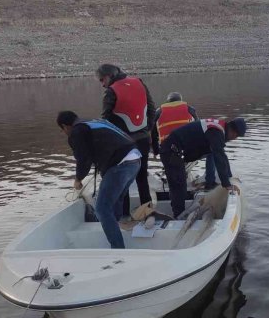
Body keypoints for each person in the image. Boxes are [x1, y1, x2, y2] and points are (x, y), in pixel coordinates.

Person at [57, 110, 141, 249]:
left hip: (121, 164)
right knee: (116, 200)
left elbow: (83, 159)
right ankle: (117, 229)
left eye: (63, 130)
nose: (65, 133)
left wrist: (78, 179)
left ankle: (118, 248)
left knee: (102, 209)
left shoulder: (77, 131)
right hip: (135, 159)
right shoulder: (93, 122)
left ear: (65, 126)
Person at [97, 64, 156, 216]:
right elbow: (151, 108)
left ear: (109, 75)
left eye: (102, 80)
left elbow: (105, 120)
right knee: (142, 178)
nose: (102, 84)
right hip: (143, 139)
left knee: (123, 181)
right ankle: (148, 212)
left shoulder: (111, 91)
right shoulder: (139, 82)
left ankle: (124, 216)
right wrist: (147, 129)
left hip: (123, 145)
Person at [159, 117, 247, 218]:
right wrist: (226, 184)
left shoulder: (218, 127)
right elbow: (218, 157)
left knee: (180, 183)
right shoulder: (216, 131)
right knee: (178, 185)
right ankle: (179, 217)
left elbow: (223, 156)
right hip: (170, 151)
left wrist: (229, 177)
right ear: (234, 133)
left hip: (174, 151)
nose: (233, 139)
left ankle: (179, 214)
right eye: (235, 136)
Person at [151, 91, 217, 189]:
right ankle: (209, 182)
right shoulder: (190, 109)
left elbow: (153, 134)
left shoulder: (159, 112)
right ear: (180, 100)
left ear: (168, 102)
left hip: (167, 153)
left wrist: (156, 151)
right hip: (187, 151)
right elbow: (199, 129)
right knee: (213, 150)